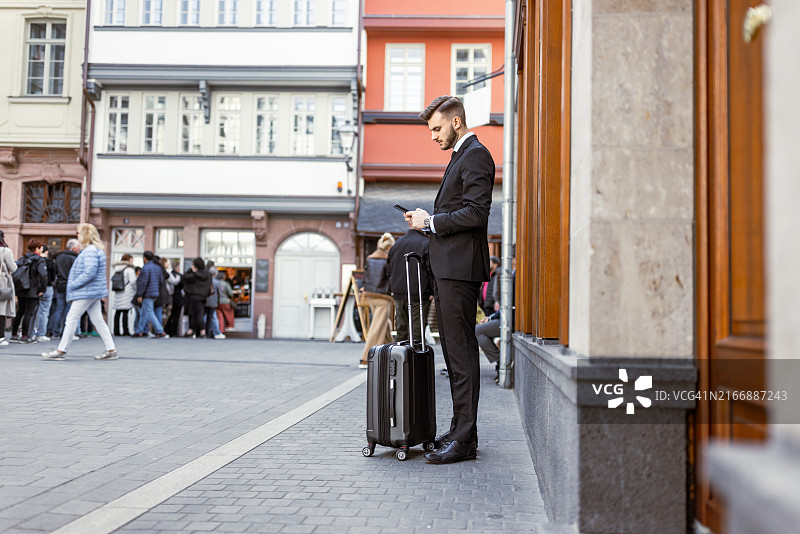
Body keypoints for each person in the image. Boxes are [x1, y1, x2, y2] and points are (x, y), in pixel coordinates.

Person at [404, 95, 494, 464]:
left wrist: (433, 222)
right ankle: (460, 430)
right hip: (450, 268)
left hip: (459, 271)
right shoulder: (461, 156)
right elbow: (460, 213)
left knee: (461, 356)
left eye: (437, 128)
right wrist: (430, 222)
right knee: (455, 356)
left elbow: (476, 212)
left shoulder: (476, 155)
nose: (433, 136)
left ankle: (465, 440)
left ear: (456, 123)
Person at [42, 223, 118, 360]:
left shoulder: (89, 251)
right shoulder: (95, 250)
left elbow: (90, 272)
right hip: (91, 291)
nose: (77, 235)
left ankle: (61, 351)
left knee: (71, 318)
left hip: (86, 291)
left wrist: (73, 284)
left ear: (85, 234)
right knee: (98, 320)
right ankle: (111, 350)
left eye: (78, 233)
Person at [386, 228, 433, 344]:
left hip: (399, 292)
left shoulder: (397, 244)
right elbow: (431, 270)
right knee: (417, 332)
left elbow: (389, 270)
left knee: (401, 330)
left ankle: (400, 359)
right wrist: (433, 291)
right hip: (419, 293)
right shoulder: (426, 243)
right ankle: (415, 359)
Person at [475, 260, 515, 384]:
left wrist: (492, 316)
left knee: (478, 330)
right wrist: (491, 317)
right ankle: (500, 361)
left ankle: (501, 361)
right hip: (503, 315)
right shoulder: (510, 274)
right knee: (479, 328)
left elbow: (509, 304)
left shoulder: (514, 275)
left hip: (511, 319)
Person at [359, 232, 395, 368]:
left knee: (384, 323)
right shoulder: (388, 260)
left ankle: (390, 351)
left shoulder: (370, 258)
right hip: (383, 296)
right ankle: (366, 357)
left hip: (370, 295)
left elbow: (366, 276)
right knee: (377, 326)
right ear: (390, 247)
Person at [11, 239, 48, 343]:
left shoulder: (23, 258)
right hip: (33, 289)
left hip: (21, 288)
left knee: (20, 311)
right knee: (29, 313)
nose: (41, 249)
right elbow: (43, 275)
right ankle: (25, 335)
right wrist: (42, 289)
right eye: (40, 247)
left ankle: (14, 334)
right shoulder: (39, 260)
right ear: (37, 248)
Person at [50, 239, 81, 340]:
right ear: (74, 248)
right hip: (71, 286)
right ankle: (67, 333)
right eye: (78, 248)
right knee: (70, 310)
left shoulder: (58, 257)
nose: (79, 250)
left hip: (60, 285)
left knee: (59, 309)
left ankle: (55, 333)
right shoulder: (74, 258)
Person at [132, 251, 168, 338]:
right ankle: (139, 330)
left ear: (145, 258)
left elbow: (143, 282)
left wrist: (140, 294)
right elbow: (161, 281)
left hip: (147, 293)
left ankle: (160, 331)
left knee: (149, 312)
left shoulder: (146, 268)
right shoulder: (157, 268)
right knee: (144, 312)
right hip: (155, 293)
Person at [31, 245, 56, 341]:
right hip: (48, 287)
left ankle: (31, 332)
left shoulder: (34, 260)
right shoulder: (50, 262)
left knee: (33, 311)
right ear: (46, 251)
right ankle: (41, 333)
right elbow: (54, 276)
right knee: (44, 311)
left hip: (35, 288)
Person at [183, 257, 211, 338]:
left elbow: (184, 277)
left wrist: (191, 270)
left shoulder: (193, 275)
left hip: (193, 296)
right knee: (199, 313)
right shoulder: (207, 274)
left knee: (194, 314)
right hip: (203, 296)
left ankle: (199, 331)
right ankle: (197, 331)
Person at [111, 254, 137, 336]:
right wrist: (136, 289)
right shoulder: (129, 269)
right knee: (125, 312)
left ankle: (116, 331)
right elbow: (133, 281)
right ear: (129, 259)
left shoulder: (116, 269)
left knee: (118, 312)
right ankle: (125, 330)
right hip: (127, 292)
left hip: (118, 291)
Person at [0, 230, 18, 346]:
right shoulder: (5, 251)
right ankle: (1, 336)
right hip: (1, 283)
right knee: (0, 309)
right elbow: (13, 267)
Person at [204, 266, 225, 339]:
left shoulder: (205, 281)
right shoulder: (217, 282)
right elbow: (220, 293)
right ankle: (214, 332)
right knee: (212, 317)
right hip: (213, 302)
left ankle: (204, 332)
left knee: (205, 317)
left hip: (205, 301)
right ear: (215, 274)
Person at [164, 261, 183, 337]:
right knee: (176, 315)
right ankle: (174, 331)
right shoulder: (179, 276)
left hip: (170, 297)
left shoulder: (169, 275)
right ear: (177, 268)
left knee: (170, 315)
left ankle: (167, 330)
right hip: (177, 297)